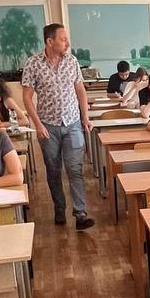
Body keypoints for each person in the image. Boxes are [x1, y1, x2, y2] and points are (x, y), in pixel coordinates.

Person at [21, 23, 93, 229]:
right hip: (47, 126)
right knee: (53, 170)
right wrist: (37, 125)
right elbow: (27, 98)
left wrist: (85, 117)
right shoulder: (33, 64)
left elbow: (80, 90)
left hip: (72, 123)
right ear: (49, 41)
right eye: (63, 39)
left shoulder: (72, 61)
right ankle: (59, 208)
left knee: (75, 169)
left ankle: (80, 213)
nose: (67, 43)